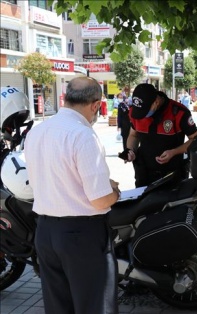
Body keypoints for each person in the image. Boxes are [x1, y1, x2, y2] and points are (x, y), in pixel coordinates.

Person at [24, 77, 120, 314]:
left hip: (46, 231)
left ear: (66, 98)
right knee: (95, 305)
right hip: (82, 235)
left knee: (58, 306)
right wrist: (115, 192)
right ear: (96, 105)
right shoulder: (82, 135)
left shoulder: (38, 131)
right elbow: (99, 200)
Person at [124, 83, 197, 187]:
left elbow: (195, 139)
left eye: (145, 111)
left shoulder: (179, 112)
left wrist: (174, 152)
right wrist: (131, 150)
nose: (143, 116)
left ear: (156, 102)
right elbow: (133, 135)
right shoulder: (136, 111)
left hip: (173, 175)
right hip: (144, 173)